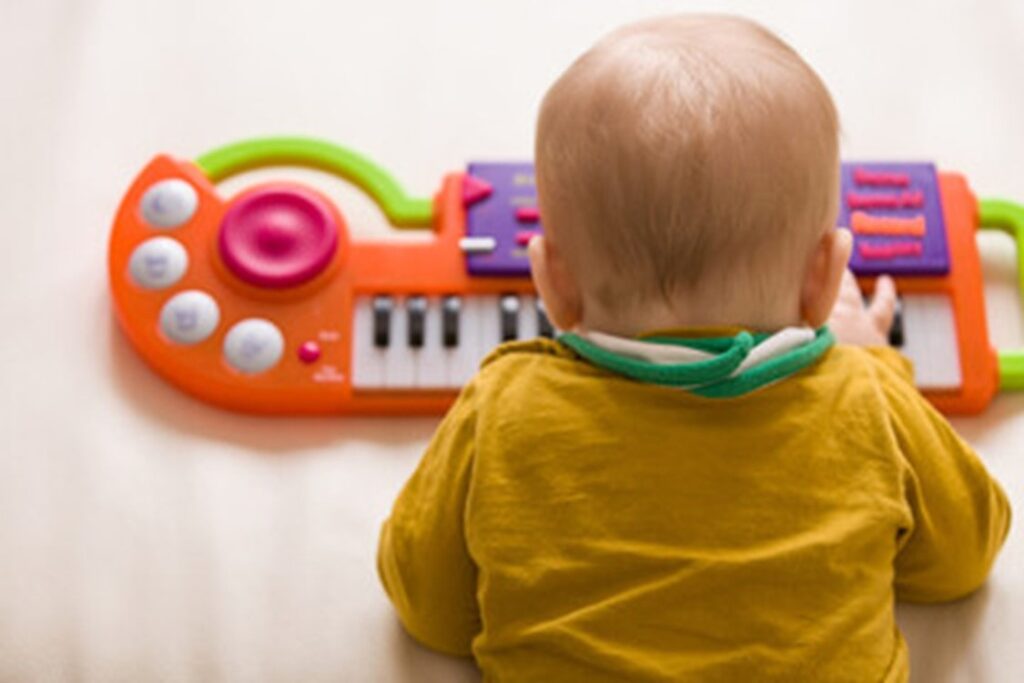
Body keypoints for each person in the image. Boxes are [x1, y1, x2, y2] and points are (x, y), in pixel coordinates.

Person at [377, 14, 1011, 682]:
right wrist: (876, 359)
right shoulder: (866, 399)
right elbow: (965, 555)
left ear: (551, 283)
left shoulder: (502, 407)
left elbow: (429, 607)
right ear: (826, 276)